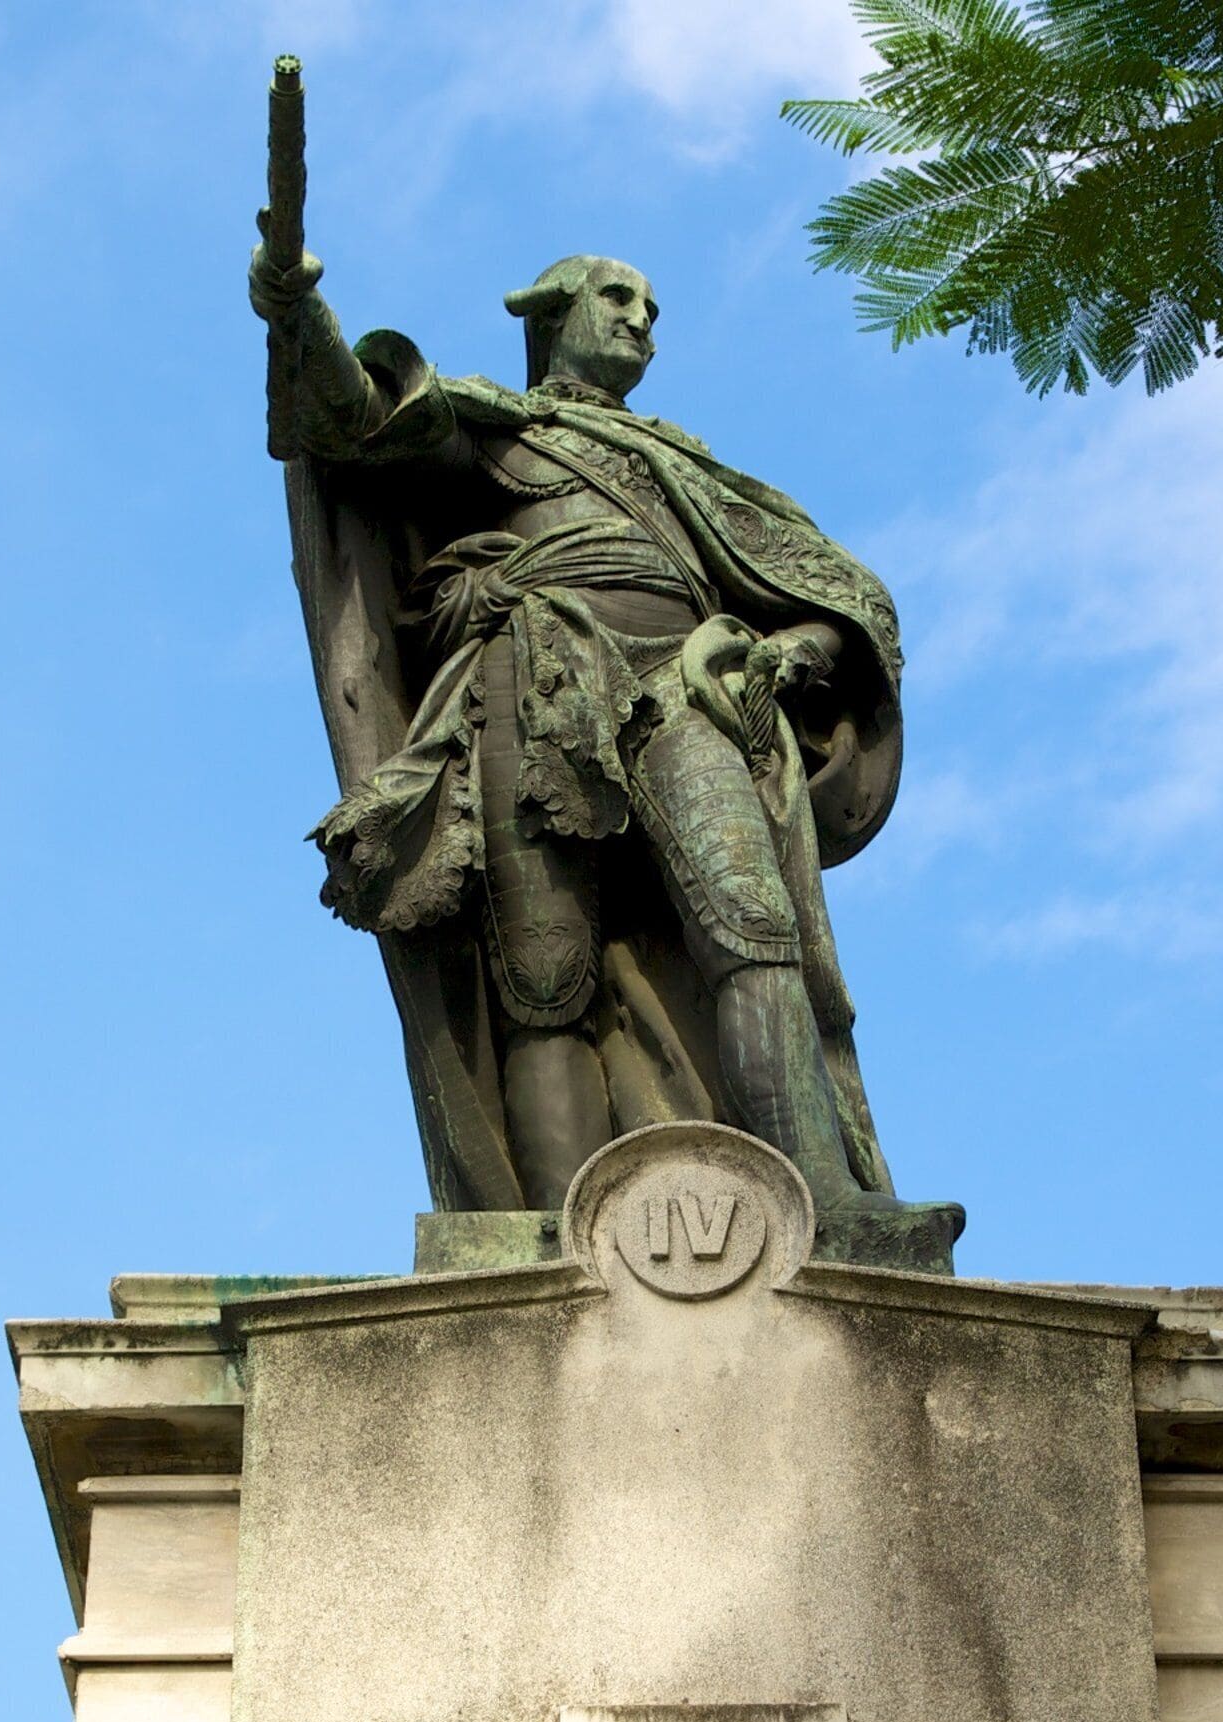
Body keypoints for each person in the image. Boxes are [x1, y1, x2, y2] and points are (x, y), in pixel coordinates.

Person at [258, 245, 925, 1222]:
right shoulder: (502, 430)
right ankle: (555, 1239)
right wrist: (298, 306)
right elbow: (356, 414)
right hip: (536, 679)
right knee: (543, 972)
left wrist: (802, 650)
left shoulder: (682, 467)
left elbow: (831, 592)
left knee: (750, 921)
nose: (641, 319)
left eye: (652, 307)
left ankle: (824, 1198)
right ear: (548, 314)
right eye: (616, 298)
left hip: (687, 687)